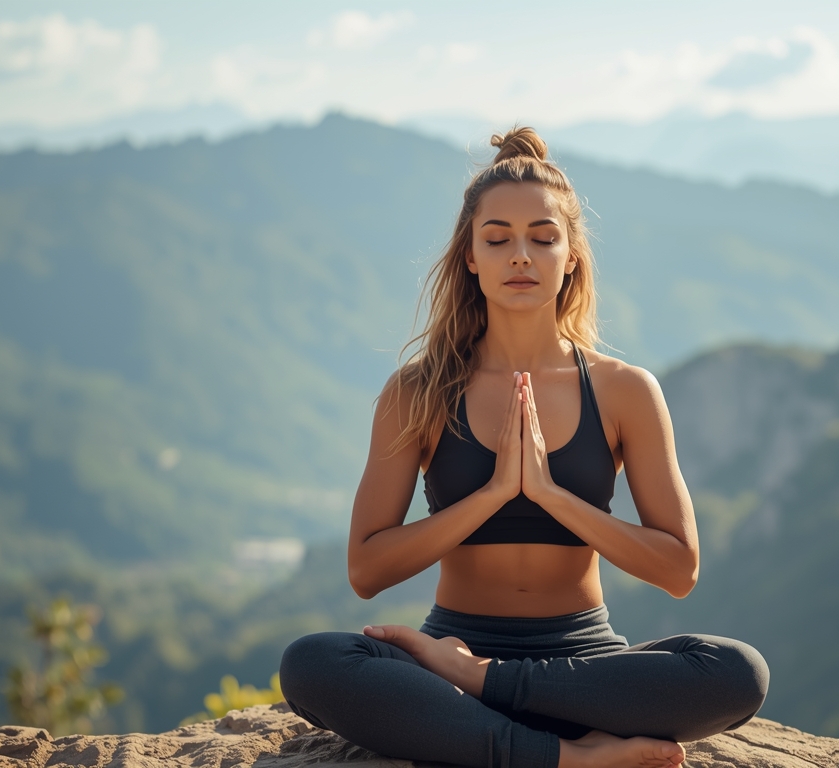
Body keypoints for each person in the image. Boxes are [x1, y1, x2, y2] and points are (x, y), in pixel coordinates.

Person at [279, 127, 768, 768]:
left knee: (736, 671)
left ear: (571, 257)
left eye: (542, 238)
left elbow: (679, 570)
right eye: (497, 239)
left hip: (579, 665)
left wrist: (550, 494)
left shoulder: (624, 391)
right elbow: (367, 570)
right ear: (470, 257)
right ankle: (569, 755)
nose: (520, 257)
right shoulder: (419, 390)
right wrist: (491, 495)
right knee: (312, 662)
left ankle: (493, 708)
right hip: (450, 655)